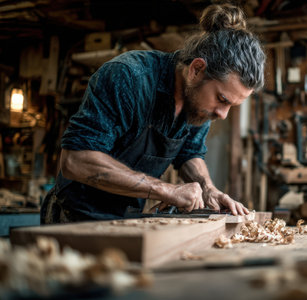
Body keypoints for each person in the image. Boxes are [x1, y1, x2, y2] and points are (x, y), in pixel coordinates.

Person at [40, 4, 266, 224]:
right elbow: (76, 160)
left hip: (127, 219)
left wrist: (209, 190)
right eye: (222, 99)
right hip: (75, 216)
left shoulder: (198, 106)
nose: (223, 114)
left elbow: (189, 154)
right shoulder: (128, 77)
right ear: (196, 70)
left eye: (231, 106)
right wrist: (166, 190)